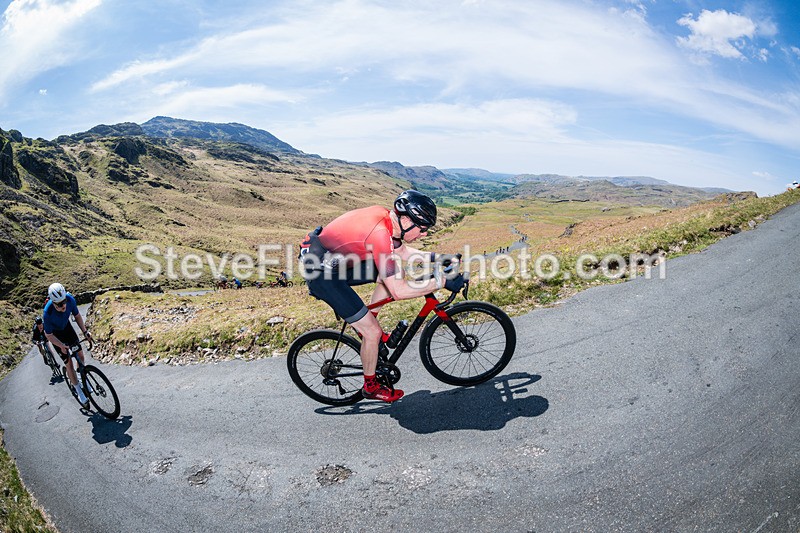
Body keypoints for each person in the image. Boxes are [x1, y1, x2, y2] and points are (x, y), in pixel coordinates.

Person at [299, 190, 465, 402]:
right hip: (322, 275)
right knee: (373, 332)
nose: (424, 234)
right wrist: (442, 282)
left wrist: (439, 258)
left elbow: (402, 252)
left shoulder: (387, 219)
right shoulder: (379, 233)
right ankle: (370, 385)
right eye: (422, 229)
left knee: (397, 271)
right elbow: (398, 291)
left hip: (333, 261)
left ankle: (369, 323)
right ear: (406, 220)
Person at [42, 283, 93, 407]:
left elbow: (77, 316)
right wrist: (61, 346)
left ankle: (82, 378)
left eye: (64, 301)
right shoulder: (47, 313)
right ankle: (78, 390)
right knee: (68, 362)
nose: (63, 305)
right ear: (53, 303)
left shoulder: (70, 299)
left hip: (67, 329)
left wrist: (85, 332)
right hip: (56, 336)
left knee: (80, 356)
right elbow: (48, 336)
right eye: (59, 304)